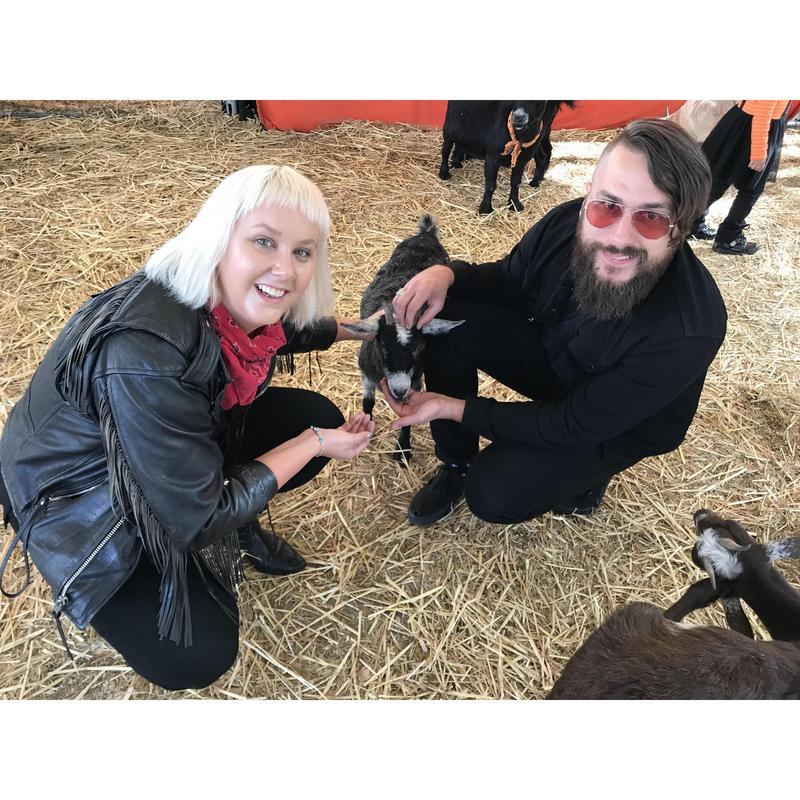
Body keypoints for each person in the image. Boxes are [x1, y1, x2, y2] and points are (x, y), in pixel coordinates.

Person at [0, 164, 375, 691]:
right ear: (219, 238)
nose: (285, 271)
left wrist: (369, 330)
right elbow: (195, 521)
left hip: (155, 456)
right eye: (264, 242)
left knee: (308, 413)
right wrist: (313, 444)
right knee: (195, 653)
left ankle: (239, 522)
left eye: (302, 252)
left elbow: (282, 326)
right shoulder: (146, 353)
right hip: (80, 498)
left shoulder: (224, 302)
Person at [384, 119, 727, 527]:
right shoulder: (567, 223)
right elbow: (510, 280)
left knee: (493, 493)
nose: (619, 237)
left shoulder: (689, 327)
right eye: (607, 206)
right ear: (588, 197)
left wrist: (454, 408)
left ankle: (590, 475)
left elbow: (573, 424)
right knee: (437, 317)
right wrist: (447, 275)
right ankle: (456, 462)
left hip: (617, 421)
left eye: (651, 218)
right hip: (558, 355)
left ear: (681, 227)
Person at [691, 100, 790, 255]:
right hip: (756, 129)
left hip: (741, 123)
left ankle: (690, 223)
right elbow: (763, 115)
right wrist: (758, 153)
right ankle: (727, 239)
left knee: (719, 180)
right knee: (751, 190)